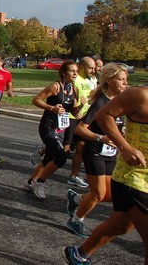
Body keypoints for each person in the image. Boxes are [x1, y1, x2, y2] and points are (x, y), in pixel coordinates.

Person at [63, 86, 148, 265]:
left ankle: (79, 254)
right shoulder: (140, 95)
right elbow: (103, 115)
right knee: (101, 195)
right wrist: (125, 147)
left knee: (121, 225)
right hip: (134, 177)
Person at [65, 63, 128, 238]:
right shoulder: (101, 102)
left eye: (126, 80)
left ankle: (76, 199)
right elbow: (80, 129)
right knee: (98, 194)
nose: (125, 84)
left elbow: (114, 127)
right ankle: (75, 220)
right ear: (109, 80)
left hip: (110, 154)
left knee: (107, 195)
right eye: (121, 80)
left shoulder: (118, 102)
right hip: (95, 153)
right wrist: (102, 138)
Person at [24, 60, 81, 199]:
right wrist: (51, 108)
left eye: (76, 71)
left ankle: (31, 182)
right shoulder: (55, 87)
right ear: (64, 73)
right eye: (72, 71)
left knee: (49, 158)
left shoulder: (75, 89)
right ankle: (40, 182)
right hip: (48, 126)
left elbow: (71, 110)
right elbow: (36, 99)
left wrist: (78, 110)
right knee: (61, 158)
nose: (75, 73)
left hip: (61, 128)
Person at [67, 57, 97, 189]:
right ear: (82, 67)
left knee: (80, 146)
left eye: (94, 68)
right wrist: (75, 110)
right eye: (90, 68)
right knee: (65, 148)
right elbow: (68, 98)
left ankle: (73, 176)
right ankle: (42, 153)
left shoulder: (90, 81)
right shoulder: (76, 79)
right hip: (72, 116)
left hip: (84, 117)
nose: (93, 70)